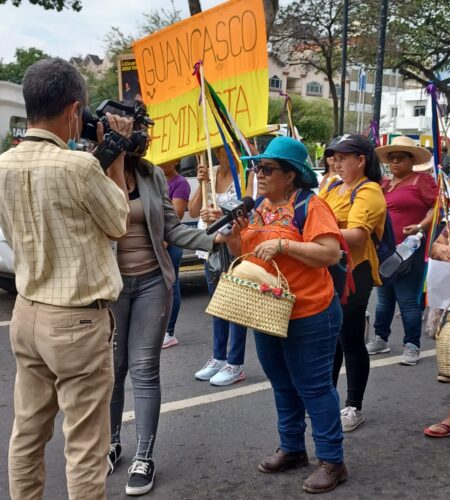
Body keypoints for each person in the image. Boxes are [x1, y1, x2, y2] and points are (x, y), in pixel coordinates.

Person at [0, 58, 131, 500]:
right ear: (74, 110)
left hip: (27, 313)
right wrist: (117, 156)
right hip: (76, 322)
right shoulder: (78, 167)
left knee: (27, 434)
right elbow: (117, 223)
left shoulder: (2, 166)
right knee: (85, 447)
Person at [226, 136, 347, 494]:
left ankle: (332, 460)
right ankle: (293, 449)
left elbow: (330, 253)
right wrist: (234, 235)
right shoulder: (259, 208)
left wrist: (285, 244)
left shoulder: (311, 206)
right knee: (282, 384)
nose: (258, 174)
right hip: (267, 309)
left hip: (310, 310)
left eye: (267, 168)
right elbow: (245, 254)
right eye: (256, 167)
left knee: (313, 387)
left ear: (291, 176)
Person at [108, 131, 225, 495]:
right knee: (112, 369)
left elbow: (172, 229)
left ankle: (144, 456)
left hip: (151, 283)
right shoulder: (90, 172)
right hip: (108, 287)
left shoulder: (151, 174)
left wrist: (213, 239)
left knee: (144, 368)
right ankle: (109, 443)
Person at [319, 134, 386, 432]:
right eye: (333, 156)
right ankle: (327, 399)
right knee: (330, 338)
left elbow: (358, 235)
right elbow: (312, 214)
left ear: (361, 160)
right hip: (329, 268)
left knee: (350, 339)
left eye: (343, 157)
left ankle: (353, 406)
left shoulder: (369, 190)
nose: (336, 162)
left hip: (354, 272)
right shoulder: (331, 184)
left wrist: (317, 232)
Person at [366, 137, 438, 365]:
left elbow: (440, 206)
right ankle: (380, 338)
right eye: (391, 158)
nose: (395, 162)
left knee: (407, 300)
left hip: (410, 250)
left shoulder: (421, 181)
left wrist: (420, 226)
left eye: (400, 158)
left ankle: (412, 345)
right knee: (384, 299)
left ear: (411, 160)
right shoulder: (384, 183)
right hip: (384, 250)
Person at [188, 146, 248, 386]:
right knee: (216, 304)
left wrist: (219, 215)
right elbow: (193, 211)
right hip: (210, 245)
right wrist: (201, 182)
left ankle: (235, 363)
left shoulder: (244, 173)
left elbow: (246, 213)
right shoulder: (209, 172)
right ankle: (218, 357)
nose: (221, 152)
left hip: (233, 244)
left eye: (225, 148)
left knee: (235, 304)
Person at [159, 158, 191, 348]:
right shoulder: (153, 180)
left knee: (172, 285)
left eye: (168, 160)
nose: (163, 163)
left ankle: (169, 331)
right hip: (157, 241)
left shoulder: (180, 183)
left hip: (170, 242)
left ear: (177, 160)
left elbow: (177, 215)